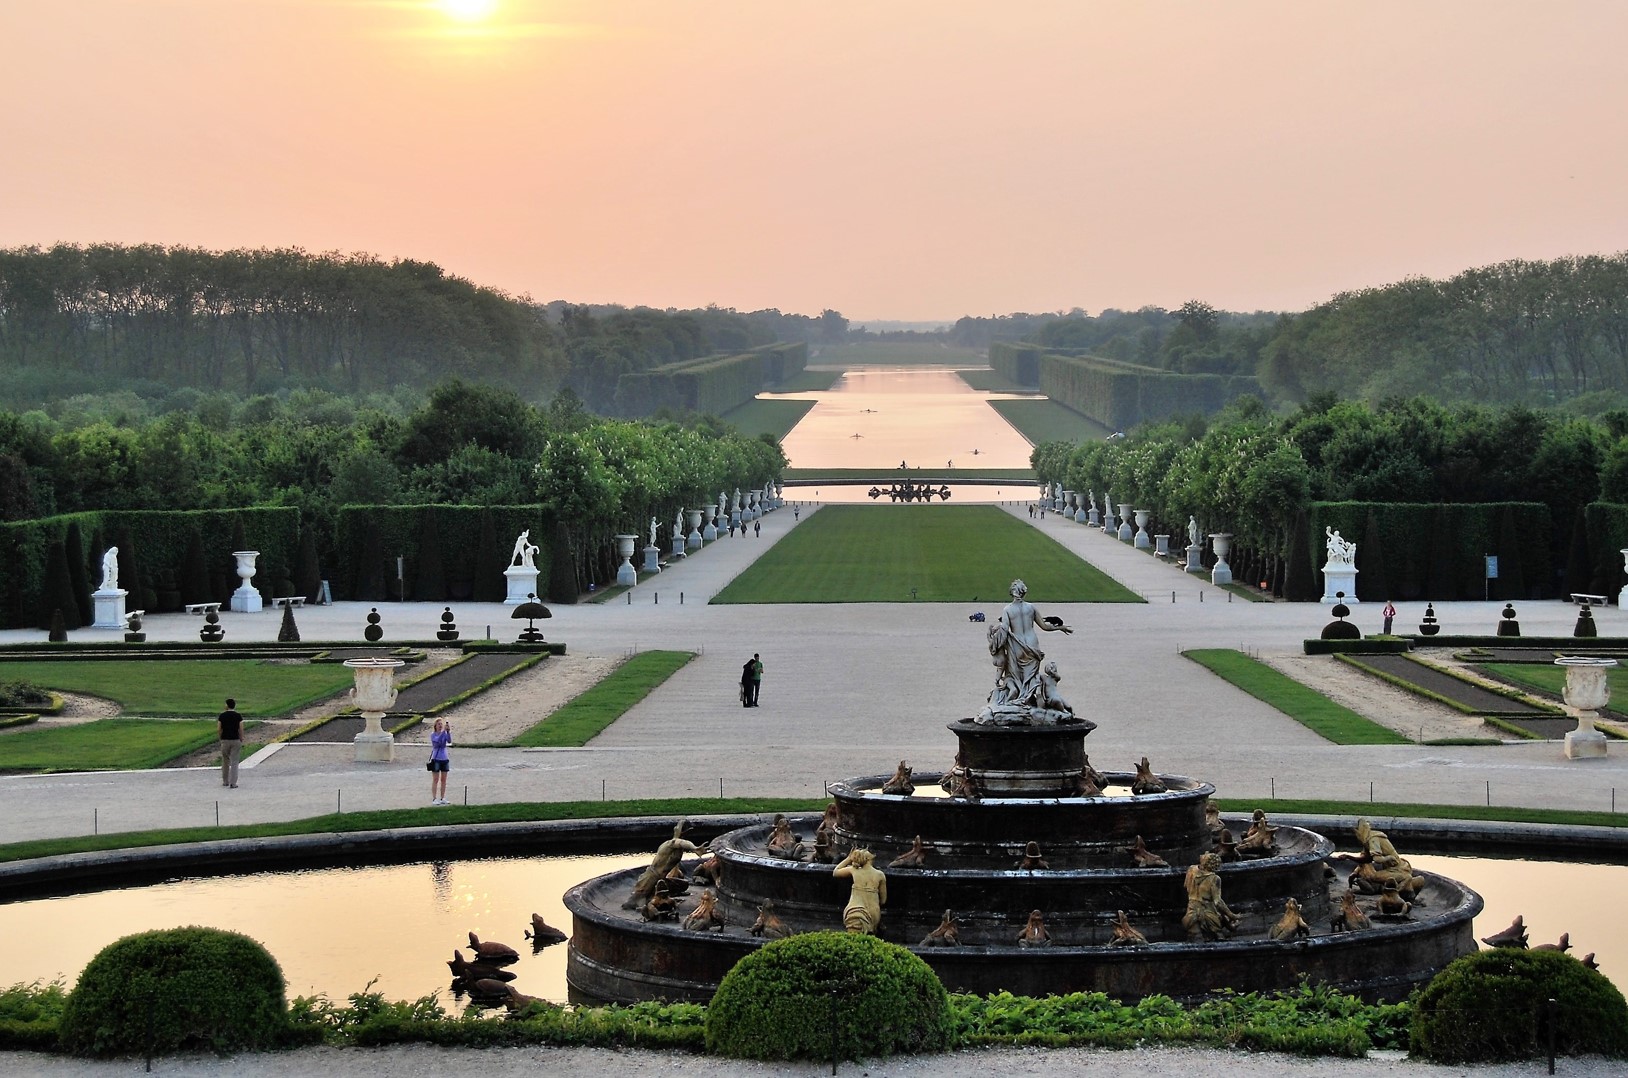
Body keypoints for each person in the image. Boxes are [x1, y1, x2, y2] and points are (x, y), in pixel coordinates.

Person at [987, 580, 1071, 710]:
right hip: (1032, 644)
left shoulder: (1007, 609)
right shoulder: (1031, 608)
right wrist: (1060, 627)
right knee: (1031, 676)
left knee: (1017, 676)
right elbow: (1045, 627)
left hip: (1017, 645)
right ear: (1024, 592)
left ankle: (1019, 701)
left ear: (1012, 593)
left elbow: (1004, 631)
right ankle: (1033, 701)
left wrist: (993, 640)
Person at [833, 848, 887, 934]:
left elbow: (835, 872)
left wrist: (848, 859)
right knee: (868, 938)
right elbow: (883, 900)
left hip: (854, 910)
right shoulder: (880, 874)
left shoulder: (854, 870)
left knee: (852, 937)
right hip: (872, 912)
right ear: (869, 859)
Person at [218, 697, 243, 788]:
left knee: (225, 761)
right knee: (234, 762)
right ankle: (233, 783)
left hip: (225, 740)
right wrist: (241, 738)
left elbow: (219, 729)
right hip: (235, 740)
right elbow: (240, 729)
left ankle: (225, 781)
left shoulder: (222, 716)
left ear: (227, 705)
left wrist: (220, 738)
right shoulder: (238, 716)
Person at [428, 718, 452, 805]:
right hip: (436, 758)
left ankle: (442, 797)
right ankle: (434, 798)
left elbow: (449, 740)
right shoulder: (433, 735)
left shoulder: (444, 733)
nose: (440, 726)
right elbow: (437, 742)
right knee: (435, 779)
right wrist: (443, 732)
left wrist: (448, 732)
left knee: (444, 779)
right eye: (439, 724)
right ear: (435, 726)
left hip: (444, 758)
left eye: (441, 724)